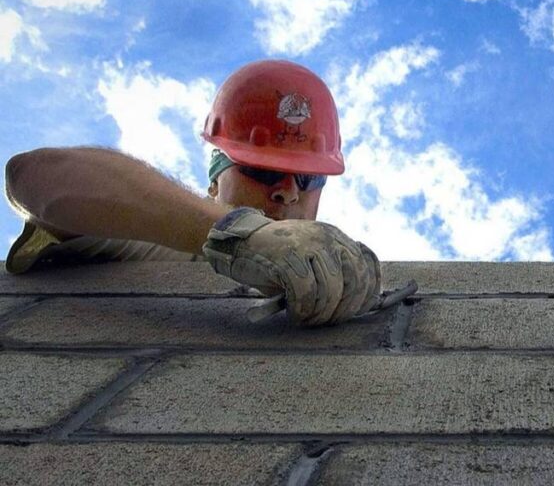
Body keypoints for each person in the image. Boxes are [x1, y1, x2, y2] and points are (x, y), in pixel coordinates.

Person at [4, 60, 401, 326]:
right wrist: (240, 233)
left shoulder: (333, 287)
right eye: (262, 170)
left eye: (309, 179)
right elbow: (33, 175)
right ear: (215, 180)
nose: (287, 193)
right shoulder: (152, 240)